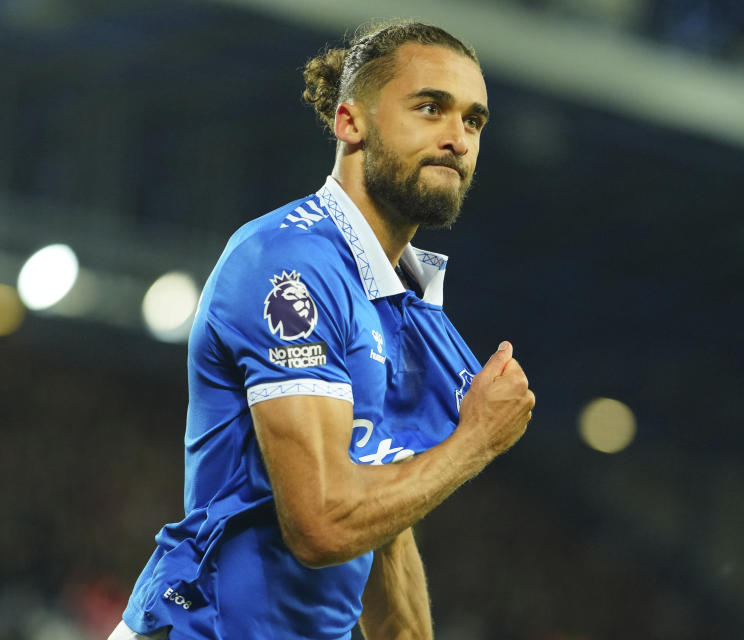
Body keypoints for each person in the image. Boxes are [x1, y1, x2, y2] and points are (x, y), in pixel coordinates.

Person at [110, 20, 535, 640]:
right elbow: (322, 526)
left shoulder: (401, 299)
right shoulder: (291, 266)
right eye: (430, 108)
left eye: (473, 121)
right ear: (350, 122)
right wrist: (475, 440)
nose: (457, 138)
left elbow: (383, 515)